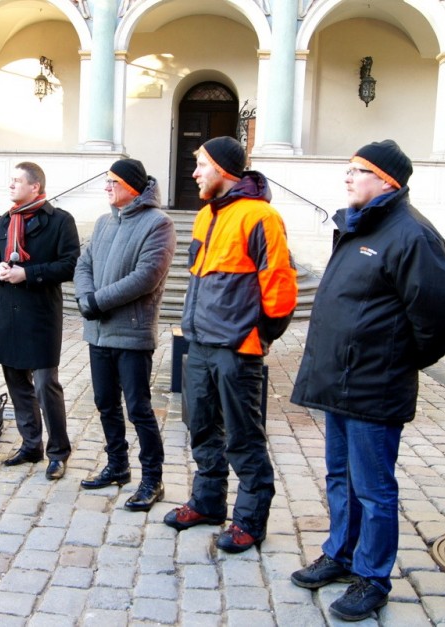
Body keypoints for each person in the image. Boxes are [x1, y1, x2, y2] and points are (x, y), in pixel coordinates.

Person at [289, 140, 445, 621]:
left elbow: (438, 320)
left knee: (374, 488)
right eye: (347, 168)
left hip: (373, 386)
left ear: (387, 180)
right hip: (339, 382)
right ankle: (341, 555)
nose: (347, 177)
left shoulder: (411, 234)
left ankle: (372, 577)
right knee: (340, 477)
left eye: (357, 170)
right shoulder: (360, 223)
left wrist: (392, 362)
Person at [165, 136, 298, 551]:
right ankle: (207, 502)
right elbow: (198, 277)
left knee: (243, 437)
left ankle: (250, 521)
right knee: (201, 425)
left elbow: (280, 283)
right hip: (201, 342)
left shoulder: (262, 216)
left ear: (222, 169)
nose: (194, 172)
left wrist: (264, 334)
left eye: (200, 165)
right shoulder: (206, 215)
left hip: (239, 348)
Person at [74, 158, 176, 512]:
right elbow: (83, 264)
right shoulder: (104, 223)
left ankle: (153, 478)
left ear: (132, 186)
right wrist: (85, 298)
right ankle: (117, 466)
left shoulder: (158, 224)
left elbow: (147, 276)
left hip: (131, 333)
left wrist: (97, 301)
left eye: (112, 182)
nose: (106, 187)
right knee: (105, 404)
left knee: (139, 409)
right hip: (98, 334)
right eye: (106, 181)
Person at [0, 162, 80, 481]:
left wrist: (29, 272)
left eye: (16, 181)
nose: (10, 185)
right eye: (10, 180)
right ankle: (30, 445)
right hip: (8, 313)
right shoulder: (4, 221)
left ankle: (58, 452)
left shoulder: (60, 221)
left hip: (40, 313)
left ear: (35, 187)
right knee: (16, 382)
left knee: (44, 385)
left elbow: (69, 265)